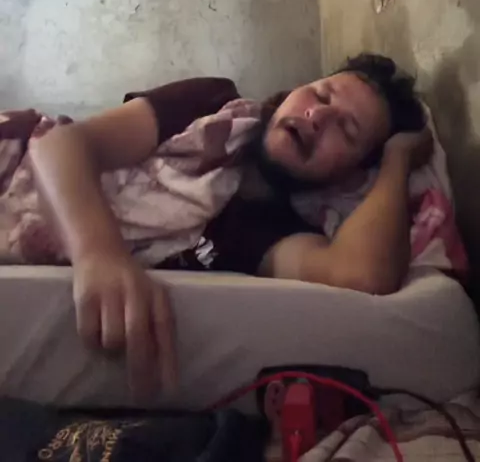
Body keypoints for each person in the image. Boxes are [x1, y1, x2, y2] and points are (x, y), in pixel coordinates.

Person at [28, 53, 432, 398]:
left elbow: (359, 274)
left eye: (346, 129)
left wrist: (396, 160)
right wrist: (100, 254)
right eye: (321, 94)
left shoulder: (270, 231)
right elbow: (58, 145)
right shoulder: (210, 105)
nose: (318, 115)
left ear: (350, 177)